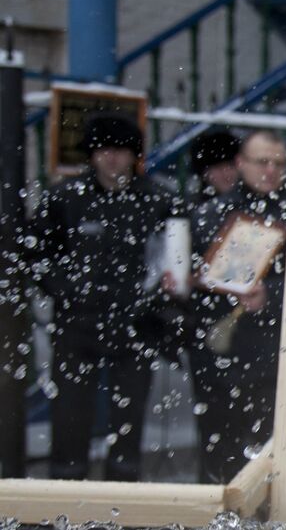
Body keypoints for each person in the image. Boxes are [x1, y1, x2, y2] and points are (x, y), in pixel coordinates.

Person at [29, 113, 178, 481]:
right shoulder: (64, 197)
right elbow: (36, 252)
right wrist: (65, 290)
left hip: (135, 324)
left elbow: (174, 256)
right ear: (92, 155)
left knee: (129, 416)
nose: (113, 158)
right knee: (69, 414)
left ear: (134, 155)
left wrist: (159, 299)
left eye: (122, 150)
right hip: (76, 323)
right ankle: (64, 491)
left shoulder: (157, 200)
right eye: (104, 150)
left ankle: (123, 494)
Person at [188, 129, 286, 483]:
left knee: (269, 445)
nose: (270, 170)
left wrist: (271, 297)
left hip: (273, 350)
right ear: (240, 163)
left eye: (279, 163)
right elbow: (191, 281)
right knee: (220, 441)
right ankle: (214, 517)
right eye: (262, 162)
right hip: (221, 350)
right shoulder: (209, 214)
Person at [188, 128, 242, 200]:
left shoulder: (253, 200)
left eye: (230, 166)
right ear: (204, 173)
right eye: (218, 168)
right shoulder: (193, 207)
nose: (226, 174)